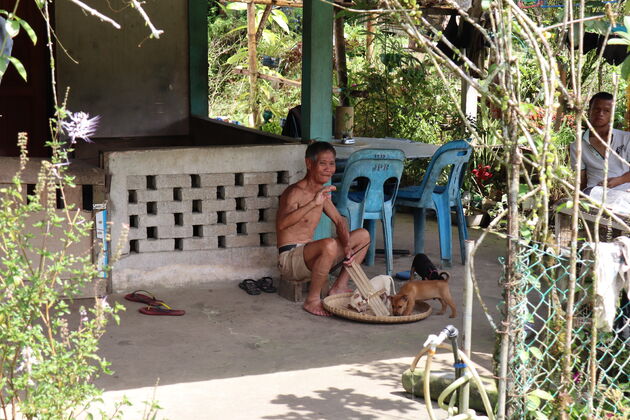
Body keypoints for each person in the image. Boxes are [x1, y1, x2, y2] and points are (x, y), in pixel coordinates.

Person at [276, 141, 370, 316]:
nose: (329, 169)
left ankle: (339, 287)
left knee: (363, 235)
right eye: (323, 163)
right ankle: (312, 300)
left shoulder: (321, 193)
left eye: (332, 164)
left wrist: (348, 247)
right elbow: (282, 224)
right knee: (328, 244)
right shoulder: (294, 192)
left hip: (310, 258)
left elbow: (339, 221)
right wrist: (313, 203)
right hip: (290, 260)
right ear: (309, 164)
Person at [570, 92, 630, 192]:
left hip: (625, 192)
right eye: (596, 109)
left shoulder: (626, 138)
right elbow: (581, 179)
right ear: (589, 111)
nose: (600, 114)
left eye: (606, 111)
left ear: (612, 115)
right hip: (595, 192)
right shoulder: (577, 146)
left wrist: (619, 180)